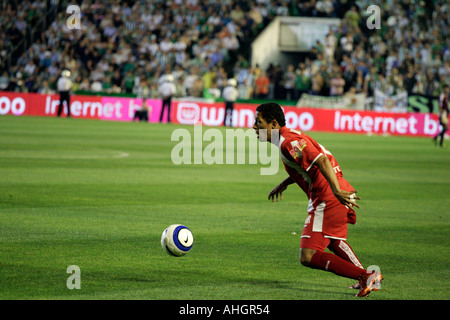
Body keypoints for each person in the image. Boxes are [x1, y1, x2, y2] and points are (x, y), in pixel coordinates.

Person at [252, 102, 383, 298]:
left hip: (327, 195)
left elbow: (321, 160)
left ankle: (366, 276)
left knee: (308, 256)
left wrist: (336, 191)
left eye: (258, 122)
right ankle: (370, 277)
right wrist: (286, 183)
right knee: (334, 240)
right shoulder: (290, 137)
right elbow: (308, 165)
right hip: (336, 188)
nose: (254, 127)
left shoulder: (289, 143)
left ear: (273, 124)